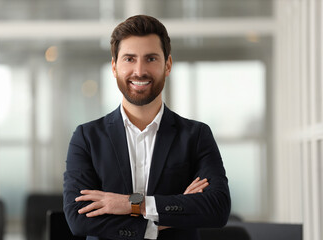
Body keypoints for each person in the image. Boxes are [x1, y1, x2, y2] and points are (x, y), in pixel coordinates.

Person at [63, 15, 230, 240]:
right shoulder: (87, 138)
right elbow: (79, 219)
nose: (139, 70)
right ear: (114, 67)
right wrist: (158, 223)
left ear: (167, 64)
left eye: (151, 58)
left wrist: (131, 204)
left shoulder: (196, 135)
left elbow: (216, 209)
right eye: (129, 59)